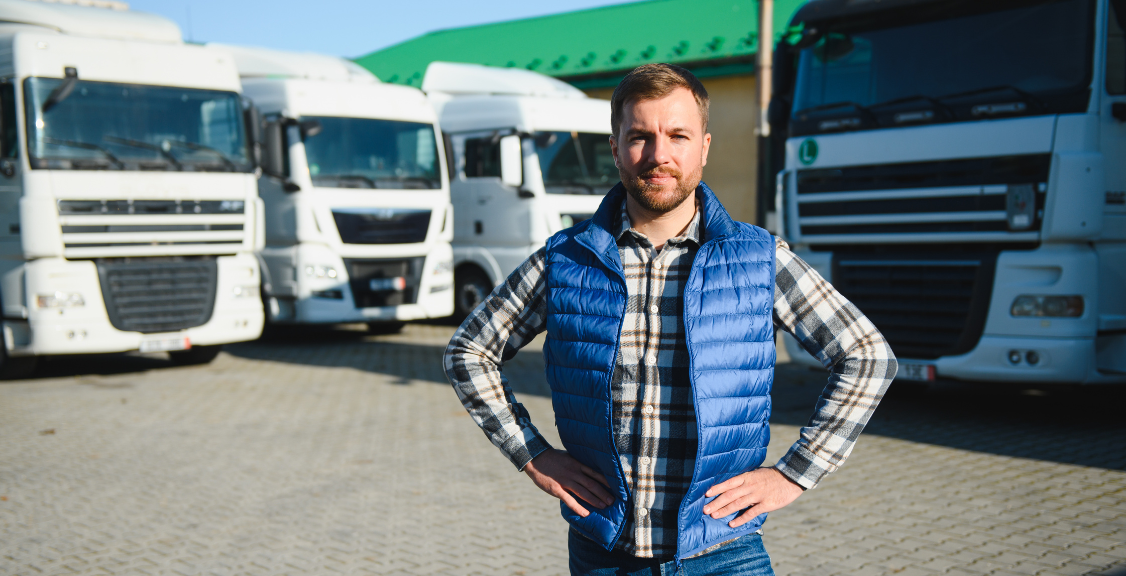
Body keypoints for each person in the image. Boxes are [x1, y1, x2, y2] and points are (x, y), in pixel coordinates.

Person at [444, 63, 897, 576]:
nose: (659, 155)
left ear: (703, 146)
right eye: (640, 136)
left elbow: (867, 356)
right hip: (604, 553)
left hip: (724, 553)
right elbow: (468, 351)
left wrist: (795, 474)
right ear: (615, 148)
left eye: (677, 135)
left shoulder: (758, 258)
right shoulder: (566, 259)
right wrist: (533, 454)